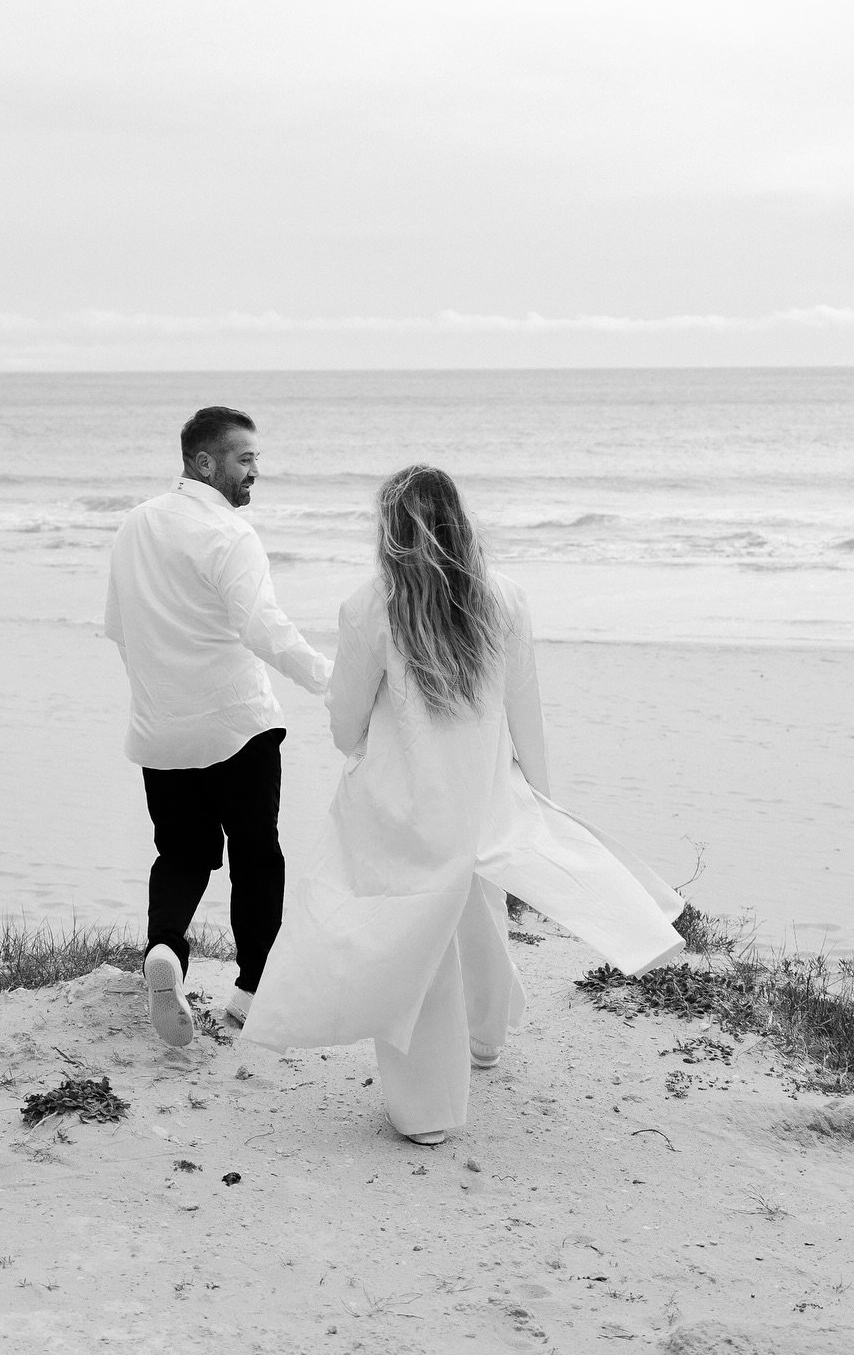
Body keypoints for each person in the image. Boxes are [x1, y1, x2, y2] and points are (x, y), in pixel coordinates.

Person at [244, 464, 683, 1144]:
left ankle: (429, 1112)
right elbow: (525, 702)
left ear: (390, 531)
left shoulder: (368, 607)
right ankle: (486, 1038)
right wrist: (537, 791)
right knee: (475, 905)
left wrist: (359, 747)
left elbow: (345, 716)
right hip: (482, 793)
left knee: (413, 935)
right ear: (460, 520)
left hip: (405, 797)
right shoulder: (504, 598)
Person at [105, 406, 331, 1050]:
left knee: (182, 853)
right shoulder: (230, 535)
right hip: (237, 726)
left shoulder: (135, 524)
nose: (255, 471)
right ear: (205, 463)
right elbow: (265, 629)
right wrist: (330, 680)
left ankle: (166, 952)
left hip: (161, 729)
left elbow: (120, 627)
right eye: (245, 459)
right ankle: (251, 991)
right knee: (256, 856)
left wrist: (159, 692)